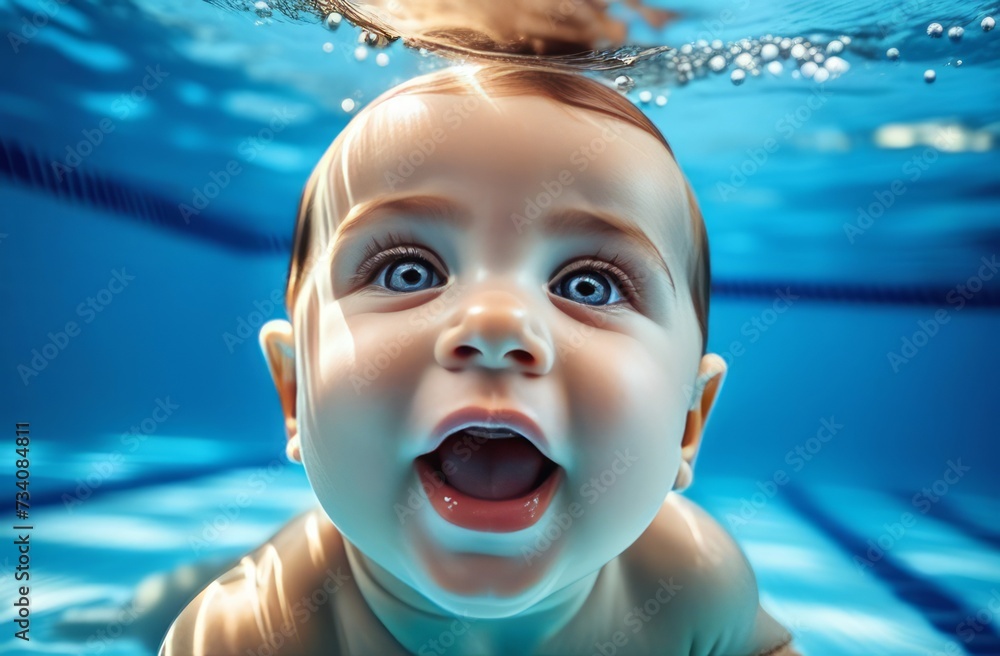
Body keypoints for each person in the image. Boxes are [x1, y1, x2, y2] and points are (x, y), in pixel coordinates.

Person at [159, 63, 800, 655]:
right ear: (295, 391)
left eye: (588, 285)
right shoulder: (252, 633)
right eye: (408, 272)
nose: (496, 324)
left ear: (688, 425)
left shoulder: (692, 582)